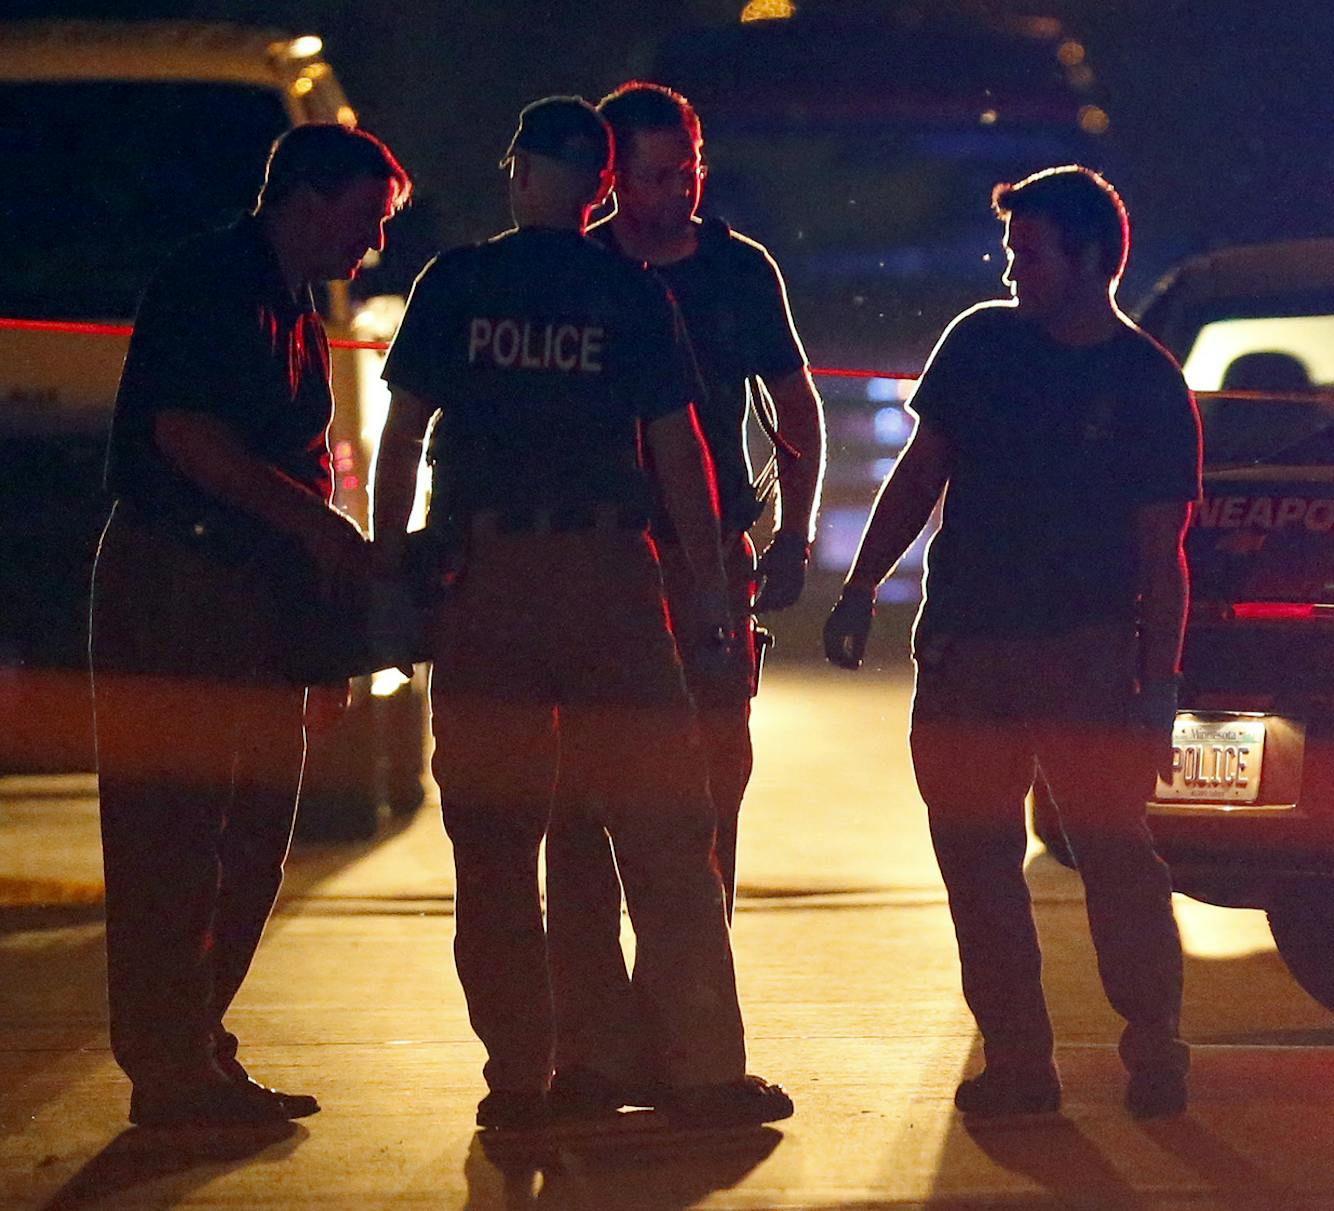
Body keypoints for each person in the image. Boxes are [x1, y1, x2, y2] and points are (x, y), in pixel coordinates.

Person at [370, 96, 791, 1132]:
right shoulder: (628, 290)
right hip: (611, 575)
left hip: (489, 580)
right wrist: (705, 595)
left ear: (519, 173)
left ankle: (528, 1077)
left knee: (498, 840)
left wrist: (389, 576)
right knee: (663, 829)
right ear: (604, 185)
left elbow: (401, 435)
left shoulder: (456, 283)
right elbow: (683, 457)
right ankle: (700, 1072)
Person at [822, 165, 1200, 1119]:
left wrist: (1157, 691)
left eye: (1027, 251)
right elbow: (921, 473)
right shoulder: (980, 345)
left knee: (1117, 855)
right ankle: (1020, 1061)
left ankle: (1155, 1042)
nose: (1011, 267)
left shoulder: (1147, 383)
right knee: (977, 859)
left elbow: (1165, 558)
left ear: (1090, 259)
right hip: (966, 651)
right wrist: (861, 586)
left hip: (1084, 655)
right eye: (1011, 249)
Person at [90, 123, 407, 1128]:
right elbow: (184, 436)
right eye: (367, 220)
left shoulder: (297, 308)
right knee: (172, 835)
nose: (372, 247)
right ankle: (168, 1066)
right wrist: (314, 526)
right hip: (178, 583)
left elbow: (295, 460)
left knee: (253, 837)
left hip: (258, 600)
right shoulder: (210, 281)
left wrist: (324, 638)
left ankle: (196, 1042)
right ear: (309, 197)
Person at [541, 81, 827, 1102]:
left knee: (708, 804)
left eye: (689, 171)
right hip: (602, 562)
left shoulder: (740, 271)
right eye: (656, 175)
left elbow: (795, 407)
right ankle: (590, 1050)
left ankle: (688, 1041)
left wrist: (794, 532)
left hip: (713, 564)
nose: (677, 193)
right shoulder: (575, 271)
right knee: (579, 814)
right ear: (612, 176)